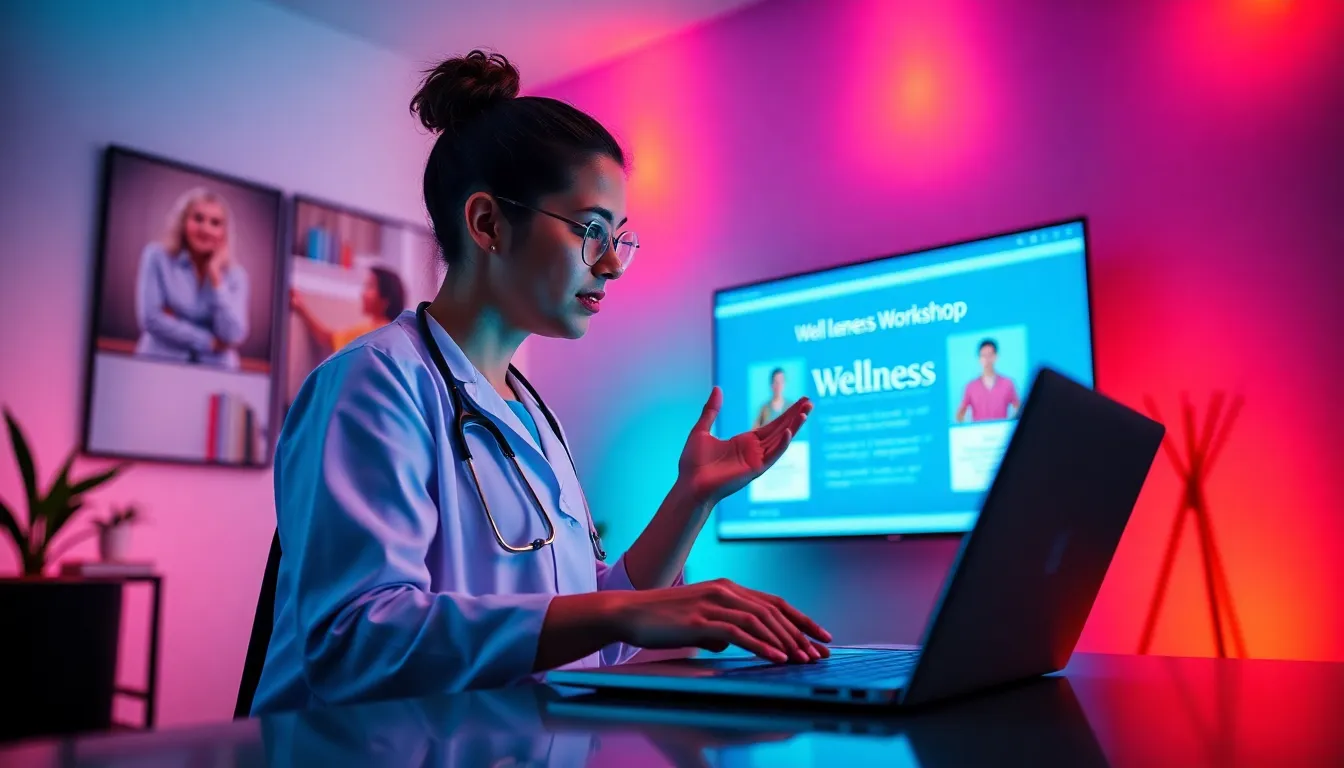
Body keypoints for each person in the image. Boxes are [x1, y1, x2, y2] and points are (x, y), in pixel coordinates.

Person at [251, 50, 829, 715]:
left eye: (619, 237)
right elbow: (353, 643)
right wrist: (617, 612)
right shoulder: (374, 382)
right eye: (590, 230)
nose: (611, 263)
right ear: (489, 224)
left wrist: (691, 497)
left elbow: (590, 641)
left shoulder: (530, 413)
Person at [133, 187, 249, 369]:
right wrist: (209, 341)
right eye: (198, 219)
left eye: (215, 223)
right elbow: (151, 319)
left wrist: (216, 278)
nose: (205, 229)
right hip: (158, 365)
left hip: (216, 372)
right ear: (183, 222)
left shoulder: (236, 276)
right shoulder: (157, 257)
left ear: (224, 232)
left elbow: (233, 335)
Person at [290, 265, 407, 355]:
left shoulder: (369, 332)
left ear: (385, 300)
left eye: (370, 286)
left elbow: (325, 339)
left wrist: (300, 307)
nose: (363, 294)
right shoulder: (396, 335)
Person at [955, 339, 1020, 423]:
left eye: (990, 355)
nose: (987, 359)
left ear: (996, 357)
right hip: (979, 433)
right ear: (979, 359)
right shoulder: (971, 387)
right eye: (983, 355)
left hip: (1001, 432)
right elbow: (959, 415)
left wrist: (1010, 424)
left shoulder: (1007, 383)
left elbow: (1019, 407)